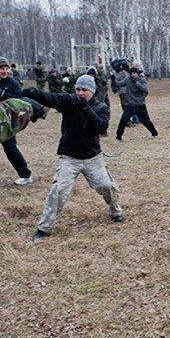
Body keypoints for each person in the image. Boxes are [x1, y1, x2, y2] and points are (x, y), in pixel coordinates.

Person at [21, 74, 123, 241]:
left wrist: (85, 108)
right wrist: (35, 92)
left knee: (108, 186)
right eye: (78, 89)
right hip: (69, 157)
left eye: (84, 90)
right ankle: (44, 228)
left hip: (93, 158)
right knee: (58, 190)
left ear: (92, 91)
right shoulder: (69, 101)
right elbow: (51, 98)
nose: (80, 93)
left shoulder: (101, 107)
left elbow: (99, 127)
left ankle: (115, 211)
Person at [0, 56, 35, 185]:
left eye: (6, 68)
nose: (4, 71)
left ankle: (25, 175)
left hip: (6, 122)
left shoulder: (13, 83)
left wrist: (2, 95)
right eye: (1, 68)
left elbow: (18, 100)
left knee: (10, 148)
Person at [113, 67, 158, 142]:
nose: (132, 75)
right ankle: (118, 137)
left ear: (137, 74)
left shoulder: (142, 80)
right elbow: (118, 84)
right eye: (131, 73)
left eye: (134, 73)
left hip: (140, 105)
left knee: (146, 121)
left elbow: (145, 89)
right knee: (123, 121)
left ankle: (154, 133)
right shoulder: (127, 80)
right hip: (130, 105)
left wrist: (136, 83)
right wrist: (113, 79)